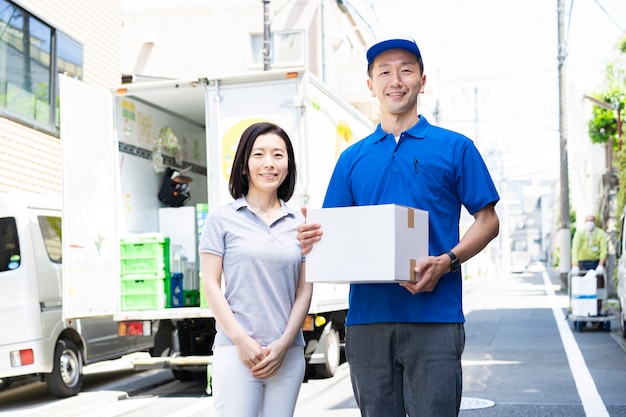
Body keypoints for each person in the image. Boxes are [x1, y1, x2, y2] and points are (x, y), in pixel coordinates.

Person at [297, 33, 500, 417]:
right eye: (384, 72)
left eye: (406, 70)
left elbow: (488, 221)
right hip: (367, 320)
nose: (395, 80)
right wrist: (312, 238)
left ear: (423, 81)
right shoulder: (352, 159)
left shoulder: (455, 147)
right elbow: (334, 233)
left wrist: (447, 261)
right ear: (370, 84)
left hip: (436, 318)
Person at [199, 122, 313, 417]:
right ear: (244, 165)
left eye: (278, 155)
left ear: (288, 166)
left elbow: (305, 288)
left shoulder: (300, 223)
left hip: (287, 354)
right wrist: (242, 340)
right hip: (236, 352)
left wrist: (286, 342)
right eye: (259, 154)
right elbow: (211, 285)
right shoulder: (221, 219)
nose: (269, 164)